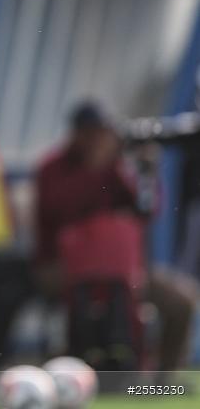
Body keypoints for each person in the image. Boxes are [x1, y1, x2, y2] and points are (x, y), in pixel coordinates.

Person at [35, 101, 198, 378]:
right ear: (76, 134)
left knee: (182, 302)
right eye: (92, 133)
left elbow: (147, 210)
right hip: (61, 267)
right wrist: (98, 167)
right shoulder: (54, 167)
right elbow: (61, 208)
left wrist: (146, 171)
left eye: (103, 133)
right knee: (97, 303)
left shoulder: (119, 165)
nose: (99, 140)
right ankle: (78, 369)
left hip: (124, 268)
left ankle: (162, 380)